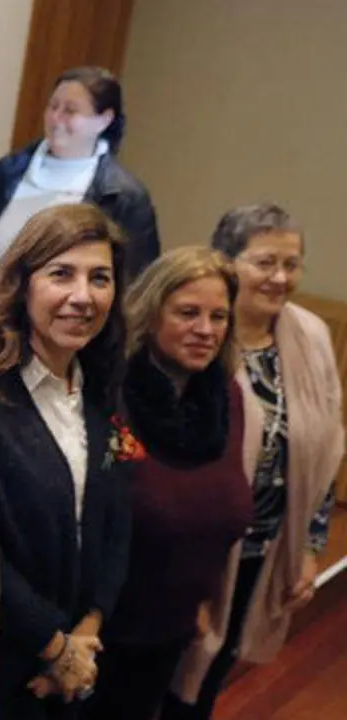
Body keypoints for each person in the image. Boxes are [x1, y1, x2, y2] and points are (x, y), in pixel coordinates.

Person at [0, 203, 135, 720]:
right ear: (21, 283)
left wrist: (90, 626)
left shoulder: (103, 386)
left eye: (100, 278)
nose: (83, 295)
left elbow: (117, 517)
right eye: (61, 274)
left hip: (77, 659)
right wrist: (54, 647)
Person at [165, 204, 344, 719]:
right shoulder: (197, 336)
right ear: (226, 260)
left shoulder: (310, 336)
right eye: (265, 262)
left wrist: (307, 546)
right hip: (186, 559)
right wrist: (192, 581)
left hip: (262, 547)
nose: (280, 278)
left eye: (292, 264)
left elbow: (326, 449)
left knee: (211, 674)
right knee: (159, 679)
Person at [83, 248, 254, 720]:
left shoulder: (226, 398)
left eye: (218, 316)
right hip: (94, 634)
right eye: (187, 313)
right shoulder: (108, 393)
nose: (206, 329)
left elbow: (222, 508)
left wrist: (200, 598)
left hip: (170, 630)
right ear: (150, 312)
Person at [0, 66, 159, 351]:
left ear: (104, 120)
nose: (56, 118)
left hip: (68, 347)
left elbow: (134, 291)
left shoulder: (125, 196)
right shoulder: (3, 174)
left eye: (71, 111)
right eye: (53, 107)